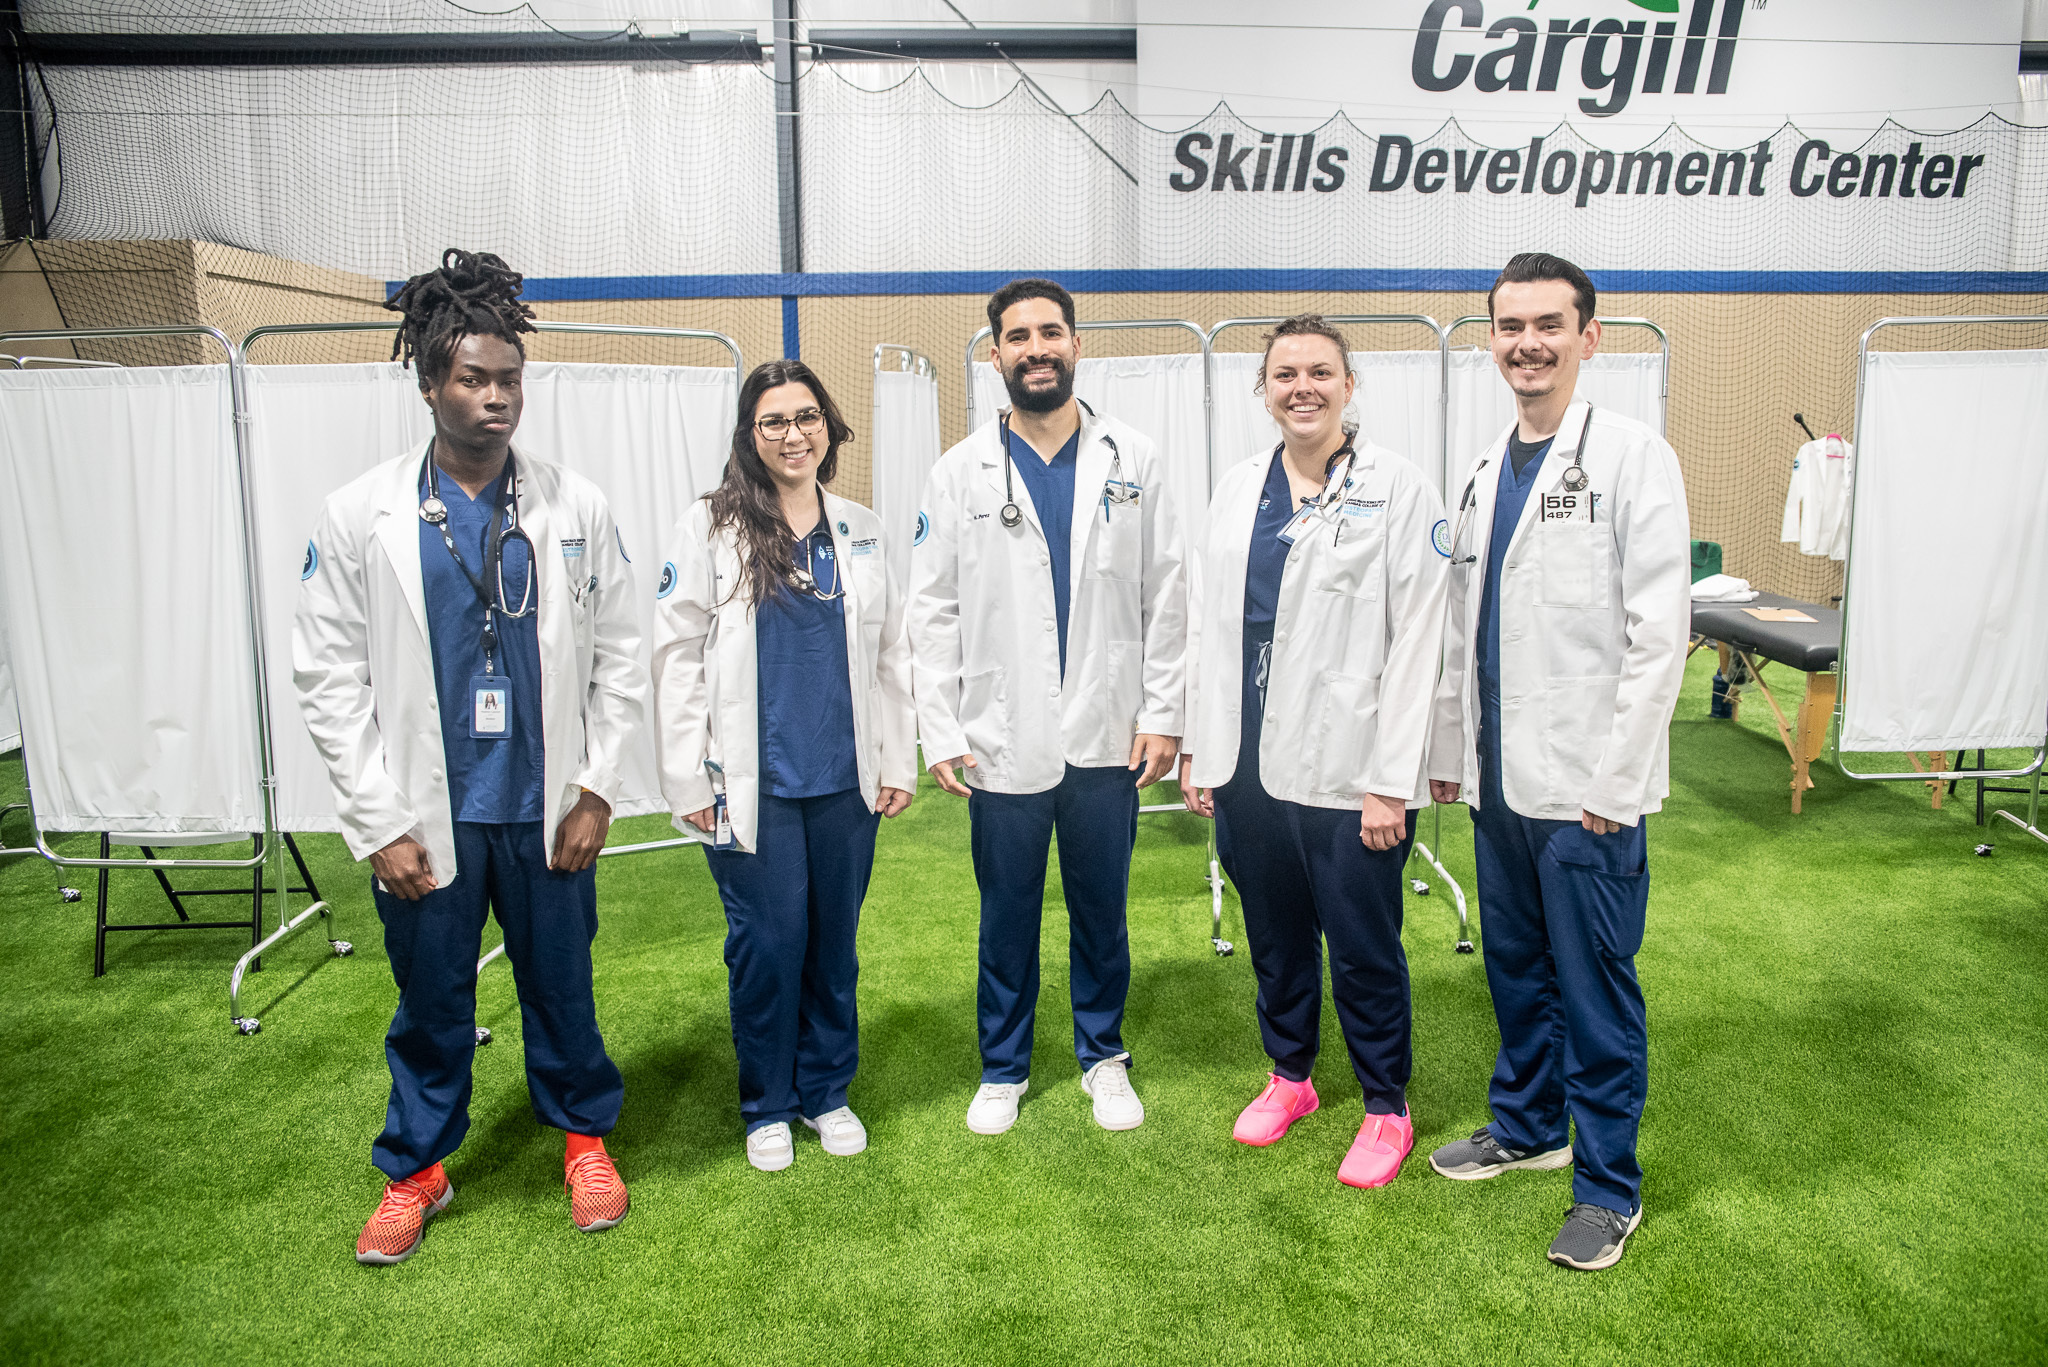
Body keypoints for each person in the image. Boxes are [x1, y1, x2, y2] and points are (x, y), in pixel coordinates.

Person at [294, 249, 645, 1264]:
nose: (496, 398)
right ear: (428, 382)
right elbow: (325, 679)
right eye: (473, 379)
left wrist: (595, 789)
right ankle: (419, 1165)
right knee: (433, 998)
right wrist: (377, 822)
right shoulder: (361, 515)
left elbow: (620, 656)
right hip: (425, 815)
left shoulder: (573, 506)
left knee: (561, 988)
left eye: (509, 379)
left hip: (546, 808)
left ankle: (583, 1138)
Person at [1425, 253, 1690, 1271]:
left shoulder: (1631, 456)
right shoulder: (1487, 467)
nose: (1525, 342)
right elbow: (1464, 625)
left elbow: (1656, 634)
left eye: (1546, 324)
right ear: (1490, 338)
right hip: (1500, 781)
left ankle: (1606, 1186)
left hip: (1587, 789)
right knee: (1514, 970)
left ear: (1587, 336)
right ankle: (1526, 1125)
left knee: (1593, 989)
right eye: (1508, 325)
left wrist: (1615, 784)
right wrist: (1453, 749)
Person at [908, 278, 1188, 1136]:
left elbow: (1168, 591)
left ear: (1076, 345)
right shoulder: (959, 471)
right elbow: (933, 607)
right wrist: (942, 727)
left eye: (1051, 333)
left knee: (1102, 908)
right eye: (1018, 336)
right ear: (995, 353)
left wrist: (1165, 710)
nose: (1036, 348)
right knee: (1008, 910)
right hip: (1004, 729)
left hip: (1109, 728)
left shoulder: (1132, 458)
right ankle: (1004, 1065)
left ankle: (1103, 1055)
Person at [1177, 316, 1448, 1187]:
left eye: (1320, 372)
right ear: (1263, 390)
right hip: (1247, 758)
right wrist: (1202, 749)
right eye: (1286, 373)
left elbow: (1419, 640)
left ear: (1348, 385)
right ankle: (1290, 1075)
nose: (1303, 387)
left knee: (1364, 941)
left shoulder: (1398, 489)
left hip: (1349, 765)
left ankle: (1383, 1105)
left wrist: (1390, 782)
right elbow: (1207, 626)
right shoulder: (1234, 489)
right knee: (1275, 933)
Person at [650, 360, 917, 1173]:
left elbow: (890, 654)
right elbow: (675, 655)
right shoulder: (709, 523)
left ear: (830, 426)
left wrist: (895, 757)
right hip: (750, 781)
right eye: (774, 421)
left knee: (833, 943)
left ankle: (827, 1091)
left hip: (844, 779)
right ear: (749, 434)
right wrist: (688, 777)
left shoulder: (861, 526)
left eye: (807, 416)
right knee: (768, 943)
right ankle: (767, 1101)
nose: (793, 433)